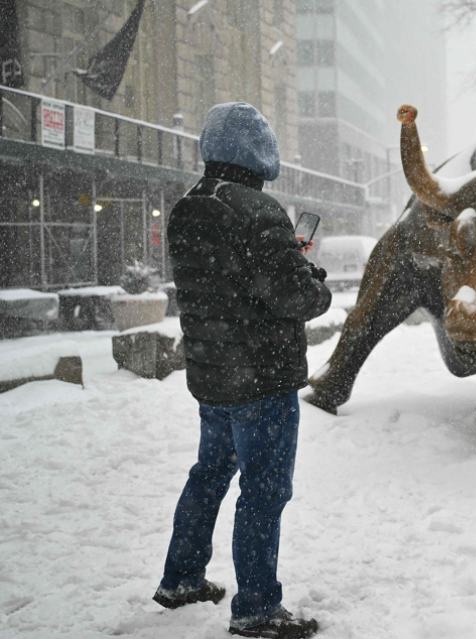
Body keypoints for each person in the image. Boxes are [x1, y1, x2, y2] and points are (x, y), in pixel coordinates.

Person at [153, 102, 331, 639]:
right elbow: (293, 296)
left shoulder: (188, 207)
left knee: (209, 475)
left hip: (212, 375)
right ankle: (256, 608)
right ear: (260, 152)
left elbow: (224, 285)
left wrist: (284, 266)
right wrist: (311, 279)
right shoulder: (259, 211)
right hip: (261, 379)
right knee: (264, 491)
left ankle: (182, 578)